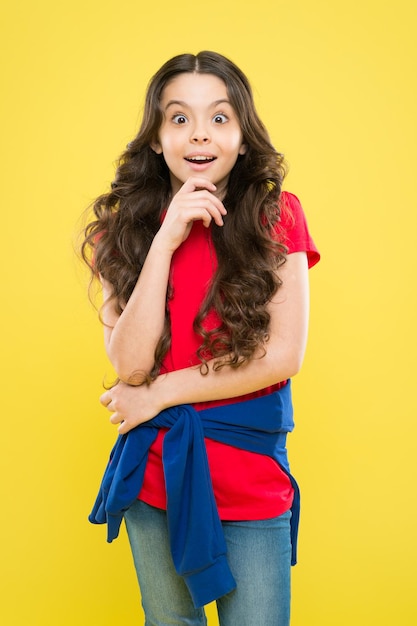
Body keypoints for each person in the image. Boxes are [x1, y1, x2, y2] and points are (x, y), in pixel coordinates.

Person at [82, 50, 320, 626]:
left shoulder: (276, 215)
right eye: (179, 118)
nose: (200, 136)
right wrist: (165, 239)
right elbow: (132, 367)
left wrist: (161, 396)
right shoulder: (127, 227)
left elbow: (282, 356)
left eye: (219, 118)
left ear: (242, 135)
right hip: (157, 475)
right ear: (158, 137)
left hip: (249, 471)